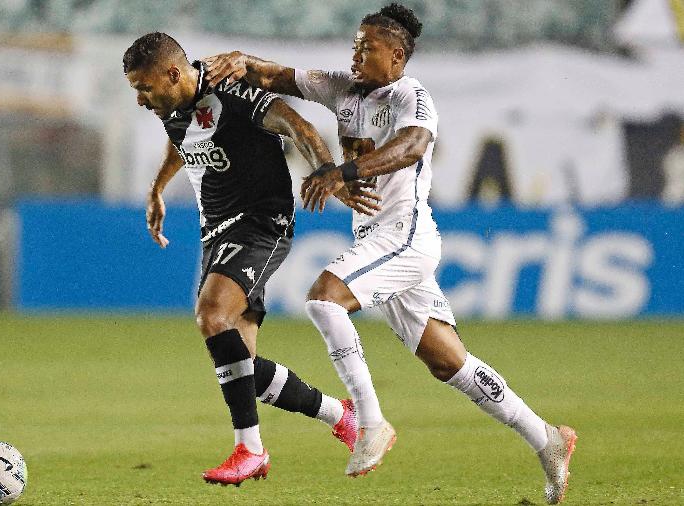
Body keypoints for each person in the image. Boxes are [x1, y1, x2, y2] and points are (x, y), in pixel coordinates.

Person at [205, 3, 577, 503]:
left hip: (403, 236)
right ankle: (547, 438)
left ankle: (370, 422)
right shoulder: (343, 87)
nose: (356, 53)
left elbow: (412, 147)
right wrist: (239, 61)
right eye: (355, 43)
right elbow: (277, 75)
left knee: (323, 300)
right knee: (449, 363)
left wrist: (344, 173)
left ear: (397, 56)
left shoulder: (411, 97)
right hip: (375, 241)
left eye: (368, 46)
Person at [123, 32, 382, 487]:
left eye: (144, 89)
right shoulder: (172, 105)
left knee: (210, 314)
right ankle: (341, 415)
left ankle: (250, 450)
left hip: (260, 223)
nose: (142, 101)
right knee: (242, 368)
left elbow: (295, 124)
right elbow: (181, 138)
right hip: (217, 232)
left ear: (172, 73)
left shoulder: (230, 86)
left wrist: (327, 170)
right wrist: (158, 187)